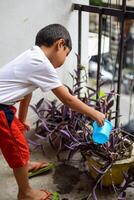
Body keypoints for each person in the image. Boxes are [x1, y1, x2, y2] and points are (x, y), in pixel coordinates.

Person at [0, 24, 105, 200]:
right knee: (18, 149)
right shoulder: (41, 63)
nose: (65, 59)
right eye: (67, 54)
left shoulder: (32, 56)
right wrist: (95, 114)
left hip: (4, 107)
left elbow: (27, 91)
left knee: (16, 141)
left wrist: (21, 120)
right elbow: (68, 99)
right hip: (1, 109)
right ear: (60, 44)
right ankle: (25, 193)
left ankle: (23, 167)